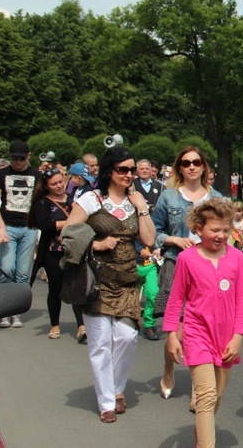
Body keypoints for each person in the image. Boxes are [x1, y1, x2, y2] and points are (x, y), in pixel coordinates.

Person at [64, 146, 156, 423]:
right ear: (109, 171)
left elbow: (149, 239)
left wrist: (141, 208)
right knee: (101, 343)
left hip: (127, 277)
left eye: (131, 169)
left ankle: (116, 387)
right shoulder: (91, 199)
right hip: (97, 278)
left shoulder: (136, 200)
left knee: (127, 337)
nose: (128, 174)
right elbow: (68, 234)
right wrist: (96, 243)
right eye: (122, 169)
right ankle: (106, 401)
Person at [164, 198, 243, 448]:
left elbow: (242, 300)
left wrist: (238, 337)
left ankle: (202, 431)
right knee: (206, 394)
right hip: (196, 334)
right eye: (215, 230)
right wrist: (171, 334)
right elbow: (176, 299)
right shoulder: (187, 259)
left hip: (226, 337)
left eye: (226, 230)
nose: (222, 235)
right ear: (199, 228)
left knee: (217, 397)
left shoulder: (236, 258)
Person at [151, 146, 223, 403]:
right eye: (186, 163)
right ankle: (169, 369)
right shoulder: (168, 197)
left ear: (204, 166)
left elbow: (226, 232)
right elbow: (153, 232)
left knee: (202, 328)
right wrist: (174, 240)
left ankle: (198, 386)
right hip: (177, 265)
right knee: (178, 330)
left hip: (208, 270)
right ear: (179, 168)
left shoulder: (217, 198)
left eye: (196, 162)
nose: (191, 167)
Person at [0, 140, 42, 329]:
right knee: (6, 268)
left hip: (29, 228)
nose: (17, 162)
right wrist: (0, 227)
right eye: (13, 158)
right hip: (8, 225)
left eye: (20, 158)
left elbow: (41, 202)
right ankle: (4, 311)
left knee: (22, 273)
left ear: (28, 156)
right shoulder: (1, 174)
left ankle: (16, 312)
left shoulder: (36, 175)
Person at [28, 168, 85, 341]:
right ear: (46, 186)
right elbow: (46, 225)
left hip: (75, 249)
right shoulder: (42, 203)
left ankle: (81, 325)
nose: (59, 186)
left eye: (61, 181)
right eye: (54, 184)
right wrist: (71, 221)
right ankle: (55, 325)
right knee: (56, 288)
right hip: (53, 252)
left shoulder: (73, 200)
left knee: (77, 288)